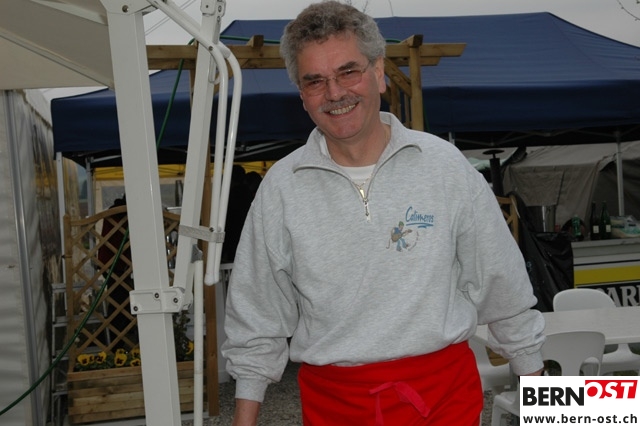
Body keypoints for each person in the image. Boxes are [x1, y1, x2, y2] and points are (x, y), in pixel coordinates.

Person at [221, 2, 545, 425]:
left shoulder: (444, 167)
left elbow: (504, 291)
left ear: (378, 73)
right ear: (302, 95)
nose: (334, 93)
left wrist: (544, 407)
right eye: (315, 81)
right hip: (335, 408)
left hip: (443, 402)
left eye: (348, 72)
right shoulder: (281, 188)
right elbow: (256, 315)